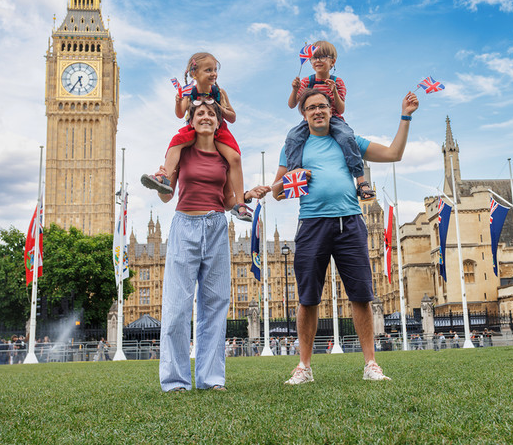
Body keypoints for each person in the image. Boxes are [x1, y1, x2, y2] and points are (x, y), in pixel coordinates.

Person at [273, 89, 419, 384]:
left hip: (349, 222)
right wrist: (295, 175)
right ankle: (304, 366)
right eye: (311, 107)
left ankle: (371, 364)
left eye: (323, 106)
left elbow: (394, 154)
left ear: (331, 110)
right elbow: (277, 192)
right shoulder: (293, 147)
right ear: (304, 113)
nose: (318, 111)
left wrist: (405, 116)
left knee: (361, 295)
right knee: (308, 298)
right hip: (312, 223)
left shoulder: (348, 141)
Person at [152, 100, 270, 392]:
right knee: (178, 307)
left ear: (219, 123)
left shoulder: (223, 156)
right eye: (200, 113)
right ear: (191, 121)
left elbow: (229, 200)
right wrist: (160, 184)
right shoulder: (181, 152)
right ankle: (175, 381)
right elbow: (168, 197)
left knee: (215, 305)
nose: (205, 117)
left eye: (211, 114)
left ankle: (211, 378)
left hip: (217, 227)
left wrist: (246, 195)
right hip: (185, 226)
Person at [142, 52, 253, 221]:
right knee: (176, 143)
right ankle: (165, 177)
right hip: (193, 130)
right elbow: (180, 114)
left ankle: (240, 203)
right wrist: (179, 101)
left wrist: (217, 108)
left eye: (215, 70)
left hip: (219, 130)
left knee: (235, 157)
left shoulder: (219, 92)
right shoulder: (189, 92)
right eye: (209, 70)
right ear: (194, 73)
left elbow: (232, 117)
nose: (214, 73)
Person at [285, 40, 374, 200]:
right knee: (292, 138)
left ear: (332, 61)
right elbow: (292, 104)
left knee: (347, 138)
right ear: (310, 62)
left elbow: (340, 109)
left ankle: (360, 180)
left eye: (322, 57)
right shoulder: (307, 82)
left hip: (334, 119)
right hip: (310, 122)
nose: (318, 60)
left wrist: (334, 91)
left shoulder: (337, 82)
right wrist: (295, 90)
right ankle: (294, 176)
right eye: (314, 58)